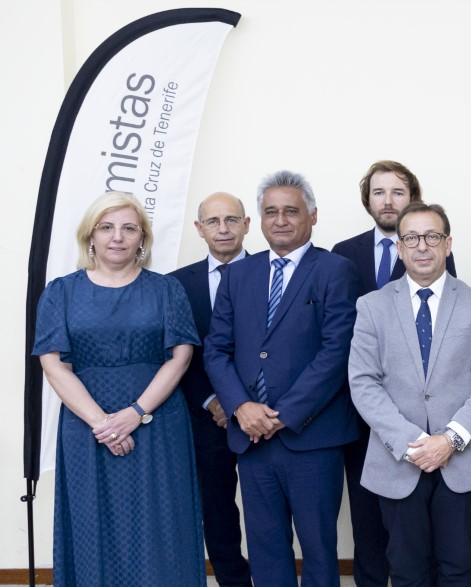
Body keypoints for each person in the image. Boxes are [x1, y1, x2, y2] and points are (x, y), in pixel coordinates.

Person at [35, 191, 204, 586]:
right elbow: (53, 365)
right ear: (90, 236)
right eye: (107, 227)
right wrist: (104, 424)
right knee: (93, 524)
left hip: (156, 421)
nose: (118, 237)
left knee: (161, 525)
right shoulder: (60, 292)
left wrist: (134, 414)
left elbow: (179, 358)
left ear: (142, 238)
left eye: (129, 228)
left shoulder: (167, 290)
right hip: (86, 425)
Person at [205, 170, 360, 587]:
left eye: (291, 211)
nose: (281, 220)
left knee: (318, 550)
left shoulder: (335, 270)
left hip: (311, 437)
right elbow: (216, 350)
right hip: (251, 438)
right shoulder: (238, 275)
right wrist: (241, 407)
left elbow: (335, 353)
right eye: (271, 212)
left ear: (312, 216)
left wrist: (282, 415)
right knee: (266, 548)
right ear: (260, 219)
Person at [348, 201, 471, 586]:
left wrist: (449, 440)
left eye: (432, 236)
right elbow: (363, 382)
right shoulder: (372, 306)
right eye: (412, 238)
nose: (423, 246)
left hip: (460, 461)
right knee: (406, 570)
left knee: (456, 566)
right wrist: (416, 442)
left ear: (448, 244)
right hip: (398, 460)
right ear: (399, 247)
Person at [331, 160, 454, 587]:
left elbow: (445, 340)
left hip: (422, 423)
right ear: (368, 200)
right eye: (379, 192)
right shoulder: (343, 254)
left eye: (397, 192)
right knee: (367, 522)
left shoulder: (434, 251)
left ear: (412, 198)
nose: (388, 200)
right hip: (362, 411)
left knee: (423, 529)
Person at [170, 192, 254, 586]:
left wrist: (241, 403)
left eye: (231, 220)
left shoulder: (274, 272)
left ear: (246, 224)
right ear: (199, 229)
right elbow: (174, 354)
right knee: (217, 510)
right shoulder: (176, 285)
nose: (223, 229)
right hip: (205, 417)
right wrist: (213, 400)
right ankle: (233, 581)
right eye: (214, 221)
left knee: (266, 509)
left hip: (262, 413)